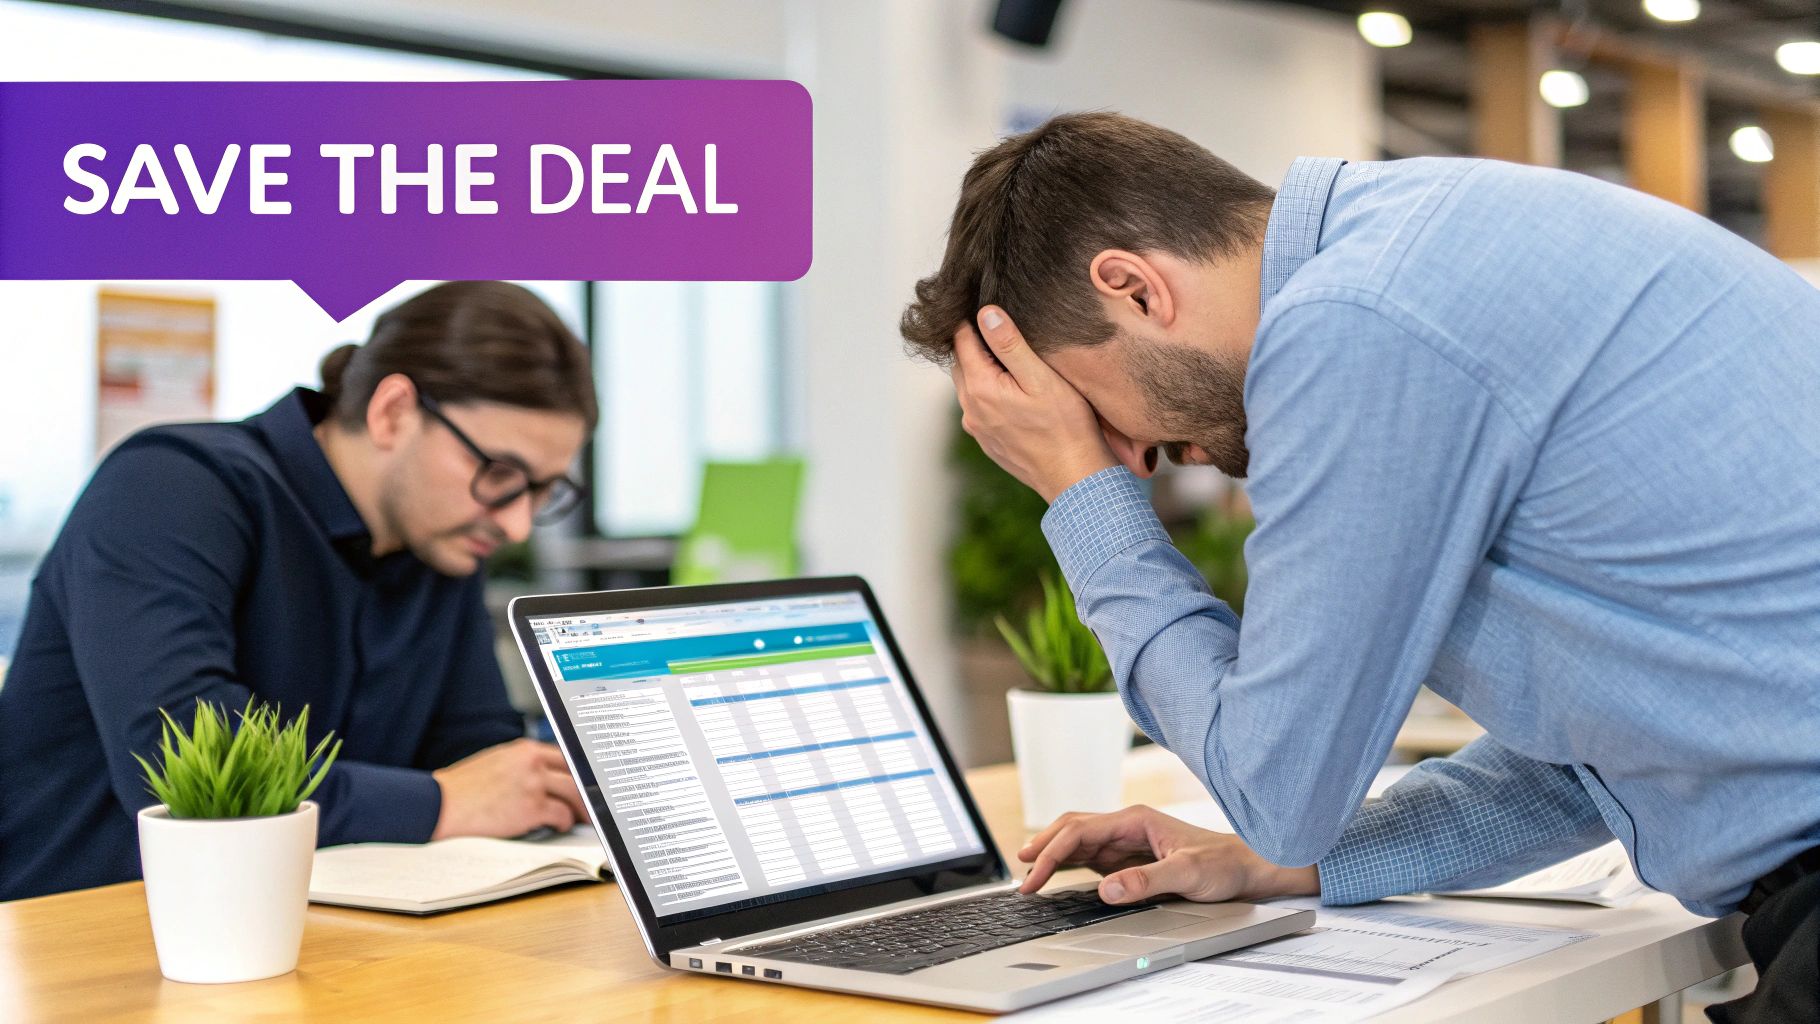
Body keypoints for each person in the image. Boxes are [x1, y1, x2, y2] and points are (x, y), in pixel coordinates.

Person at [901, 112, 1819, 1021]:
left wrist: (1078, 489)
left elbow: (1280, 791)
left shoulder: (1353, 325)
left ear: (1134, 290)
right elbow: (1602, 750)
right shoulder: (1418, 247)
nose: (1134, 458)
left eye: (1088, 410)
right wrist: (1290, 863)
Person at [1, 281, 597, 902]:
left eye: (545, 492)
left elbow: (481, 763)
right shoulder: (170, 487)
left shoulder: (439, 542)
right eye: (501, 475)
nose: (516, 524)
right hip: (95, 939)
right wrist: (440, 802)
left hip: (326, 939)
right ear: (392, 412)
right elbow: (181, 779)